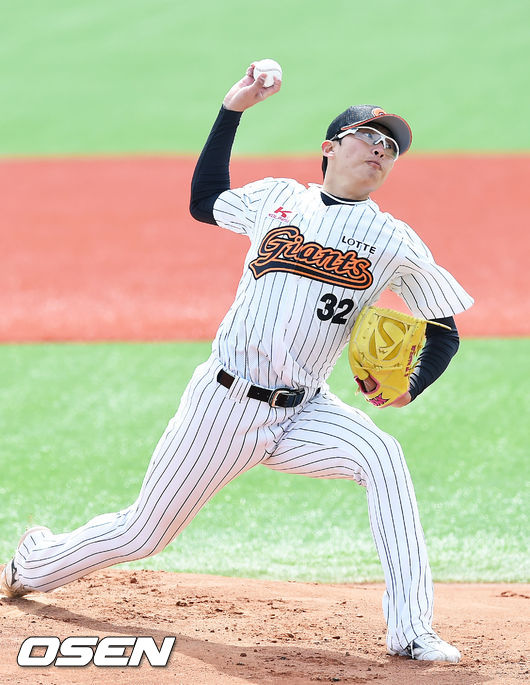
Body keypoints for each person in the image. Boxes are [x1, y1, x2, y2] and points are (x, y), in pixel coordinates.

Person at [1, 63, 473, 663]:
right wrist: (233, 109)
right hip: (224, 405)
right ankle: (34, 563)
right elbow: (205, 201)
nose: (381, 150)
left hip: (305, 411)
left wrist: (411, 387)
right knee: (144, 533)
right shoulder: (279, 198)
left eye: (391, 147)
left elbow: (444, 329)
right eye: (368, 137)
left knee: (384, 458)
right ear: (330, 147)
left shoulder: (395, 240)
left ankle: (412, 630)